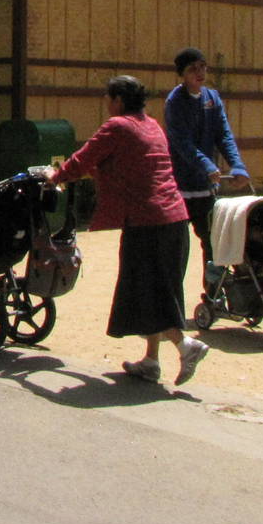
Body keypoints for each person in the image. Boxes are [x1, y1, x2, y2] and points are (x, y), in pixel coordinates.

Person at [41, 75, 209, 386]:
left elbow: (85, 158)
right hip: (174, 219)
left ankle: (186, 346)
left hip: (147, 221)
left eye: (108, 99)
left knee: (144, 289)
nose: (107, 105)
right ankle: (151, 361)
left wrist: (56, 176)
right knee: (162, 287)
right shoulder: (152, 126)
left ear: (117, 99)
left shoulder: (117, 126)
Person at [163, 47, 249, 282]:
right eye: (193, 69)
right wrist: (207, 165)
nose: (200, 73)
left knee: (212, 243)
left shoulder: (212, 98)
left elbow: (224, 135)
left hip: (205, 187)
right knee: (177, 247)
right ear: (182, 74)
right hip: (179, 186)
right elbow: (182, 143)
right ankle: (173, 303)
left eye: (203, 66)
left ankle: (213, 295)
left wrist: (237, 165)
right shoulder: (175, 102)